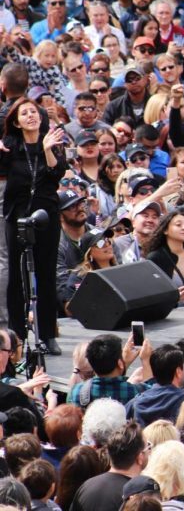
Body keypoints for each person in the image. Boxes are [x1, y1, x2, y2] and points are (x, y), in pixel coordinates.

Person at [1, 98, 67, 355]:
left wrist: (49, 149)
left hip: (46, 215)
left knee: (46, 273)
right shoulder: (9, 145)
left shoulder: (52, 141)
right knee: (17, 278)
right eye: (24, 113)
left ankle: (48, 334)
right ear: (16, 121)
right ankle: (17, 334)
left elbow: (57, 174)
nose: (30, 116)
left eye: (34, 112)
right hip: (16, 215)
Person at [69, 423, 149, 511]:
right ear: (140, 457)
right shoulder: (140, 498)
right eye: (148, 447)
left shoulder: (86, 487)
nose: (149, 451)